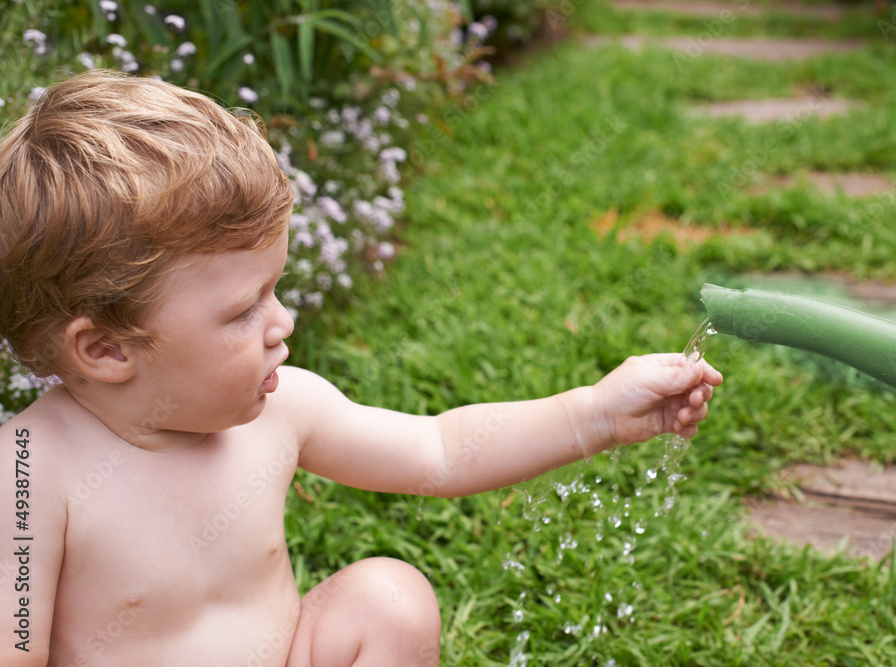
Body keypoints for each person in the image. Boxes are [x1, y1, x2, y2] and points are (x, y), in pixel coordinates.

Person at [0, 71, 722, 667]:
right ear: (107, 349)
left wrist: (595, 412)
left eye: (275, 289)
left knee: (389, 598)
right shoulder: (32, 471)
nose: (283, 322)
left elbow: (437, 450)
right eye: (243, 310)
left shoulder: (282, 410)